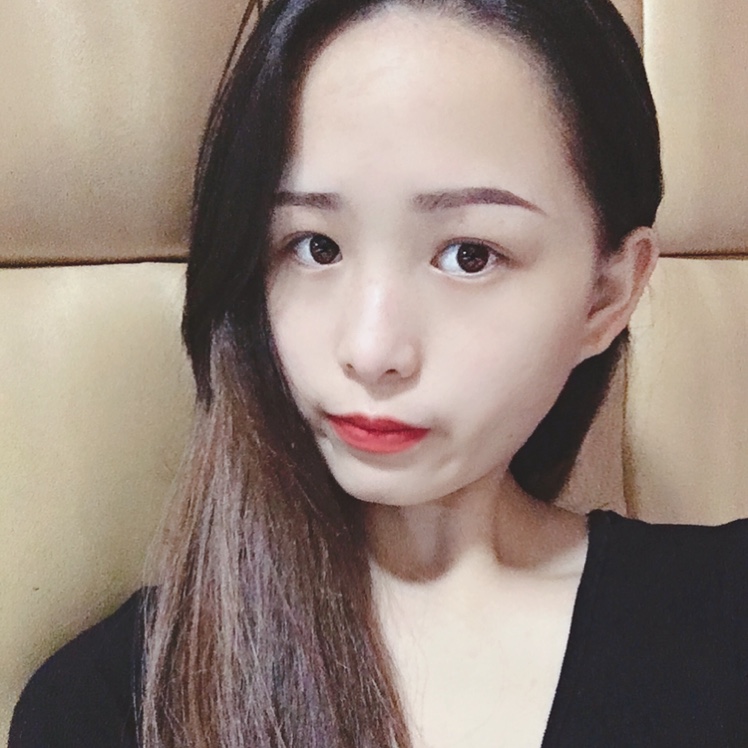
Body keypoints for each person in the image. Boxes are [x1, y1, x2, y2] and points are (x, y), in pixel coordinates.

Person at [10, 0, 748, 746]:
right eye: (315, 247)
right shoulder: (111, 705)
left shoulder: (725, 618)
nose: (370, 350)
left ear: (607, 295)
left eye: (469, 256)